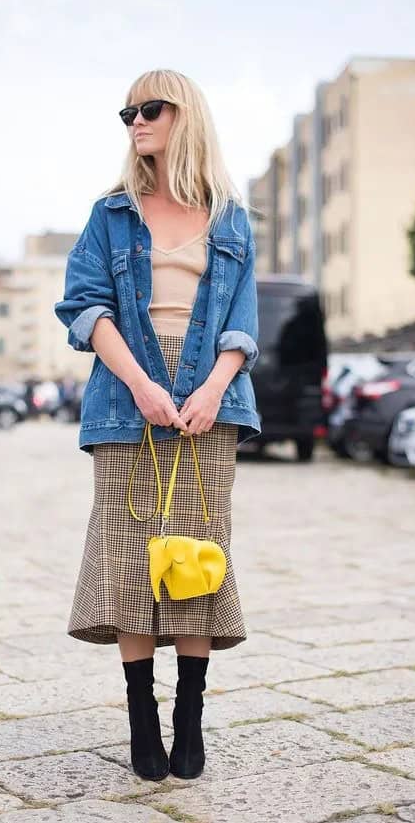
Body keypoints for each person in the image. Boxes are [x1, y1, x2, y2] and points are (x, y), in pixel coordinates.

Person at [54, 69, 261, 783]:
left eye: (150, 108)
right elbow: (83, 308)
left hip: (212, 397)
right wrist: (141, 385)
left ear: (185, 115)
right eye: (127, 112)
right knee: (133, 557)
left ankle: (190, 718)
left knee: (197, 555)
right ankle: (142, 720)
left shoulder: (231, 215)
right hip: (124, 398)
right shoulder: (110, 213)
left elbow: (243, 325)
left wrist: (210, 389)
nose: (135, 121)